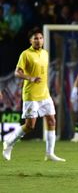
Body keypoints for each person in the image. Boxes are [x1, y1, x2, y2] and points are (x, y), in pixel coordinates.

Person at [2, 27, 65, 162]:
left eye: (40, 38)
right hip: (31, 95)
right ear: (30, 40)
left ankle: (49, 153)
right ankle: (9, 143)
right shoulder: (25, 54)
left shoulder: (45, 53)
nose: (39, 40)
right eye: (35, 38)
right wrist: (30, 78)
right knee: (30, 125)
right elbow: (17, 72)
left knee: (51, 120)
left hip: (45, 94)